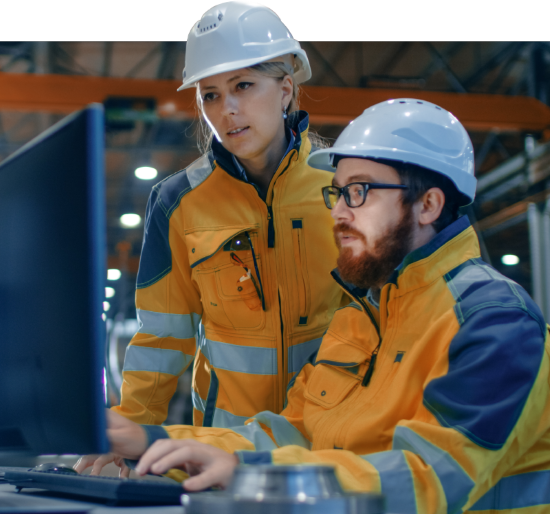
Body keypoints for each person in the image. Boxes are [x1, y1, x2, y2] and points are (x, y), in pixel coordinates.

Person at [101, 99, 550, 514]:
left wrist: (257, 476)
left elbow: (430, 476)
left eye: (359, 191)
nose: (338, 212)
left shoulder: (494, 324)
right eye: (337, 193)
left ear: (428, 205)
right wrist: (149, 440)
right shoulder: (359, 320)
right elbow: (291, 431)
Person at [75, 2, 347, 475]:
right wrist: (129, 432)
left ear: (286, 89)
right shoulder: (178, 202)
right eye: (211, 94)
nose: (228, 110)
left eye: (243, 85)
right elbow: (163, 336)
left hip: (337, 441)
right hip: (225, 448)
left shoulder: (344, 185)